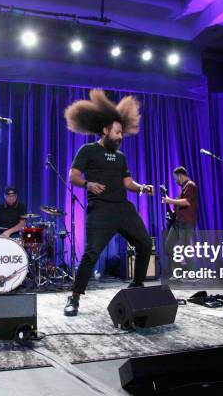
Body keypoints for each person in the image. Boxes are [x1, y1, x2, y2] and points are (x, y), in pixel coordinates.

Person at [63, 89, 154, 316]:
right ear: (105, 131)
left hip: (122, 209)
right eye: (117, 133)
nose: (120, 136)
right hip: (100, 210)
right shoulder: (88, 150)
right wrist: (87, 185)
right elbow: (73, 176)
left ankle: (136, 287)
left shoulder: (121, 156)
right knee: (91, 253)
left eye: (122, 133)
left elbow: (128, 182)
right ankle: (74, 297)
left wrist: (142, 187)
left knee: (144, 243)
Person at [162, 166, 198, 277]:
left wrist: (169, 200)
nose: (175, 181)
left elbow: (187, 202)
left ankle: (192, 274)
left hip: (186, 223)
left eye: (175, 178)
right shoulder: (183, 189)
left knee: (186, 250)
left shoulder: (190, 185)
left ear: (180, 176)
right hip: (177, 223)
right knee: (168, 246)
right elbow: (179, 205)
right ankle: (180, 270)